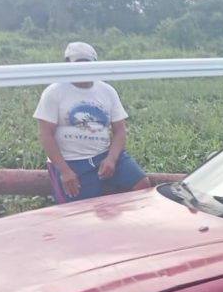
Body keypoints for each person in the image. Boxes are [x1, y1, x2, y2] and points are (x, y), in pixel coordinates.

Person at [33, 42, 150, 203]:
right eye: (78, 64)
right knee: (77, 209)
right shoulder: (54, 92)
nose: (83, 69)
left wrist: (111, 159)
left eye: (87, 64)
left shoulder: (107, 91)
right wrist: (64, 170)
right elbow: (45, 134)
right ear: (68, 65)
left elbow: (120, 131)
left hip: (103, 155)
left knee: (142, 185)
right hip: (71, 161)